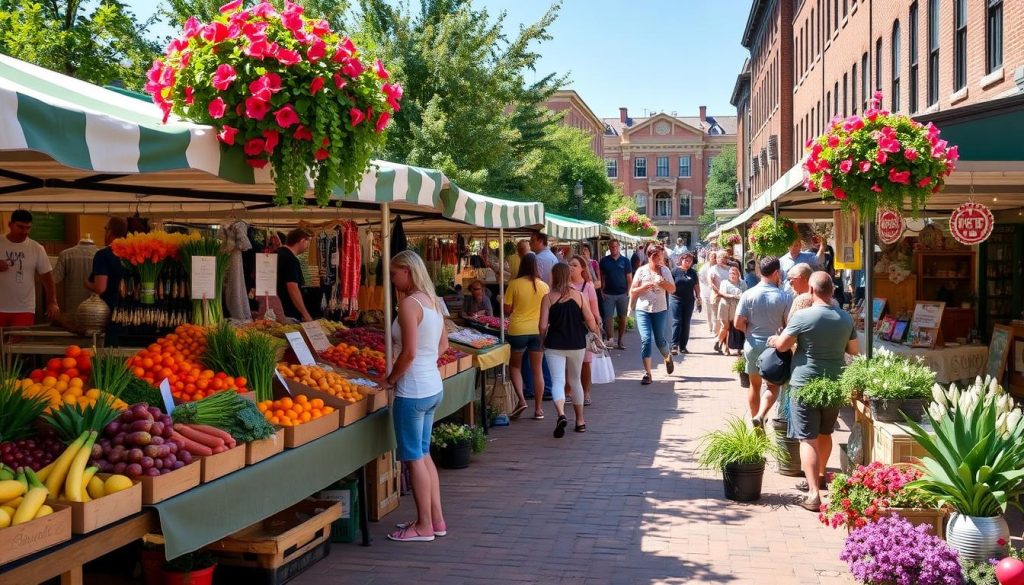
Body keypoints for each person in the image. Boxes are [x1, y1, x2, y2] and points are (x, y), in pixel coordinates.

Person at [767, 272, 858, 511]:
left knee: (807, 438)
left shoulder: (803, 316)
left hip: (805, 382)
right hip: (834, 383)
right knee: (826, 432)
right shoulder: (845, 318)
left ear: (810, 290)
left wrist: (774, 341)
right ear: (832, 291)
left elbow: (784, 345)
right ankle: (820, 475)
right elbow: (854, 349)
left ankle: (814, 493)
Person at [376, 251, 448, 542]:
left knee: (414, 459)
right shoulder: (432, 301)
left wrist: (391, 379)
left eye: (394, 273)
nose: (392, 280)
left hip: (412, 391)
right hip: (431, 387)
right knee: (424, 454)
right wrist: (426, 363)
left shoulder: (409, 304)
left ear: (407, 271)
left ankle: (423, 525)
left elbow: (408, 353)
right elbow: (443, 344)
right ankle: (436, 520)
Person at [539, 263, 602, 437]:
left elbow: (543, 325)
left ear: (554, 276)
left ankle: (561, 414)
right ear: (568, 276)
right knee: (575, 381)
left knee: (558, 381)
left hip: (554, 344)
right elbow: (590, 320)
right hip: (577, 343)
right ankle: (580, 420)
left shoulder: (548, 298)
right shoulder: (580, 296)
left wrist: (542, 339)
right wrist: (596, 333)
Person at [734, 256, 792, 427]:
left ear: (760, 272)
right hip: (775, 348)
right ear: (776, 273)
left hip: (753, 344)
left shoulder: (748, 294)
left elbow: (738, 323)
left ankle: (757, 426)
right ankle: (762, 415)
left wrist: (750, 332)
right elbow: (789, 324)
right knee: (773, 386)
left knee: (754, 385)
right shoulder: (784, 297)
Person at [504, 253, 550, 419]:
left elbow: (507, 310)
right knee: (537, 370)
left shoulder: (514, 284)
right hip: (539, 331)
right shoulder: (544, 286)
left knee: (515, 366)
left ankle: (522, 400)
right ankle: (538, 409)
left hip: (518, 330)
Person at [0, 210, 59, 326]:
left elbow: (47, 278)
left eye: (28, 228)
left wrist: (52, 302)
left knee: (18, 343)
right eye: (21, 227)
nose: (25, 232)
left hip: (24, 308)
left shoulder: (37, 248)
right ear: (10, 225)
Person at [629, 244, 676, 385]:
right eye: (655, 256)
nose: (658, 259)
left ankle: (667, 356)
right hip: (643, 309)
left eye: (660, 256)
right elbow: (632, 290)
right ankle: (647, 373)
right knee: (646, 339)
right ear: (648, 256)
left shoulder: (665, 271)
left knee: (660, 340)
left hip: (660, 309)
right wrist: (642, 287)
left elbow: (673, 289)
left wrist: (663, 283)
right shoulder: (641, 271)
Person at [84, 218, 128, 343]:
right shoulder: (133, 253)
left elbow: (100, 287)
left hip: (111, 313)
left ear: (109, 232)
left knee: (112, 354)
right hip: (132, 314)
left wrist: (87, 283)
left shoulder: (103, 255)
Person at [568, 254, 601, 406]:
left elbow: (595, 311)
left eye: (575, 265)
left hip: (584, 329)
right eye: (570, 264)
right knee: (568, 361)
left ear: (582, 268)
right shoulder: (564, 286)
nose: (571, 267)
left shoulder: (588, 287)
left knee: (585, 362)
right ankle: (568, 391)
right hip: (567, 328)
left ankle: (586, 392)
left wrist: (597, 328)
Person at [53, 235, 98, 322]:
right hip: (95, 313)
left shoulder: (65, 254)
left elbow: (54, 279)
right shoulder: (101, 255)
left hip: (71, 311)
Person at [599, 239, 632, 350]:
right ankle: (610, 340)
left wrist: (628, 292)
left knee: (622, 318)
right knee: (608, 318)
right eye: (612, 247)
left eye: (616, 246)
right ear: (609, 248)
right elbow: (601, 277)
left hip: (622, 294)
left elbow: (629, 278)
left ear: (619, 247)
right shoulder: (604, 261)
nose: (614, 249)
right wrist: (601, 290)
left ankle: (620, 340)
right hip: (608, 294)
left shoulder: (625, 261)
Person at [276, 229, 313, 322]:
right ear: (302, 241)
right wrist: (305, 314)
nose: (307, 247)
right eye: (307, 243)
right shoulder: (291, 260)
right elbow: (292, 288)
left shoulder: (275, 253)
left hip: (274, 310)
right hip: (288, 313)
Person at [670, 252, 701, 355]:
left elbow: (696, 286)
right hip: (676, 299)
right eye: (686, 260)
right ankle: (674, 345)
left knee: (686, 323)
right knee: (677, 321)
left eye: (690, 261)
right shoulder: (674, 271)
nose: (688, 263)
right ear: (681, 260)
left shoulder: (693, 273)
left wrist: (698, 297)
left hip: (689, 300)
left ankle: (683, 346)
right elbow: (669, 285)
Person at [715, 266, 747, 356]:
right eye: (730, 273)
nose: (731, 275)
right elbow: (721, 292)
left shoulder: (742, 283)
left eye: (734, 273)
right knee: (726, 326)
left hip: (737, 306)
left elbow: (745, 294)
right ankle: (720, 343)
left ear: (738, 274)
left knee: (735, 327)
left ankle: (735, 348)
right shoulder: (724, 282)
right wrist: (731, 296)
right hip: (725, 306)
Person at [708, 251, 734, 354]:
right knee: (718, 321)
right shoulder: (713, 269)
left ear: (727, 259)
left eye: (724, 257)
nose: (721, 259)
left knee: (727, 322)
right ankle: (719, 342)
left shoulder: (729, 269)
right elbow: (711, 284)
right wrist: (719, 293)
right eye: (719, 257)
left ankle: (722, 343)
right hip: (717, 298)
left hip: (728, 299)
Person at [697, 251, 718, 334]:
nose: (714, 258)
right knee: (709, 310)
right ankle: (710, 326)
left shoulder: (719, 267)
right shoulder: (704, 268)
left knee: (716, 310)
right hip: (707, 291)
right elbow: (701, 279)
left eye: (715, 256)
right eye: (712, 256)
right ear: (709, 257)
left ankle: (716, 326)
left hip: (717, 291)